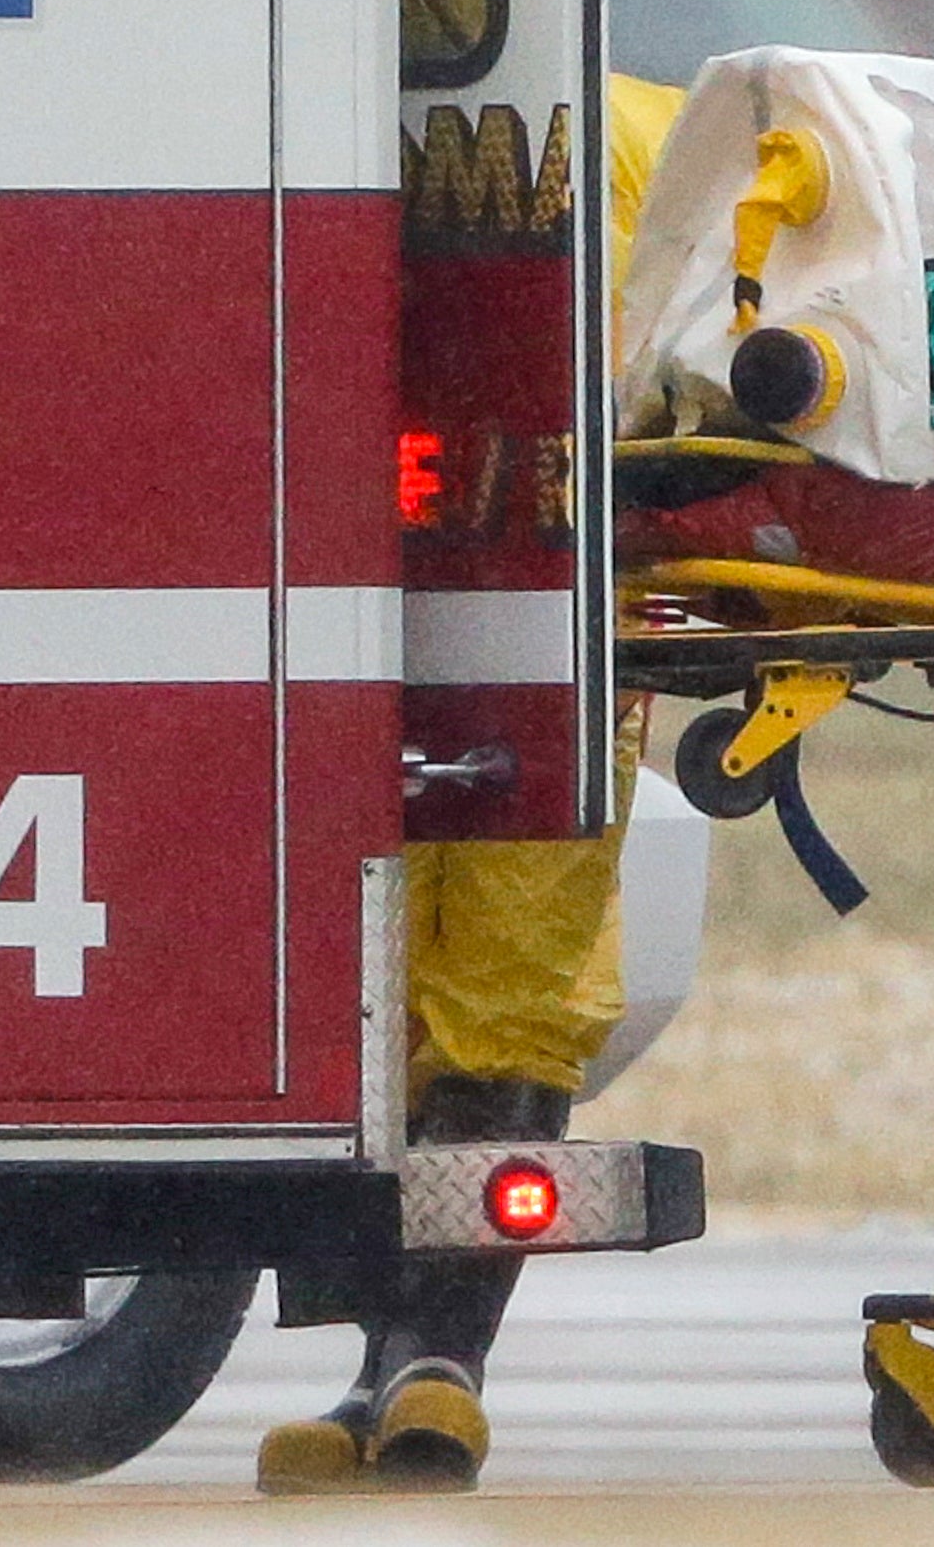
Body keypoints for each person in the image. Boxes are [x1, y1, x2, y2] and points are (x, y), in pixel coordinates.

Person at [257, 74, 686, 1497]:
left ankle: (414, 1364)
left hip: (367, 599)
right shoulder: (647, 129)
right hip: (554, 608)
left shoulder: (291, 95)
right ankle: (423, 1363)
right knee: (505, 996)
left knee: (398, 994)